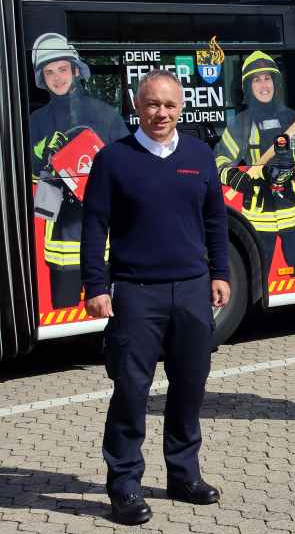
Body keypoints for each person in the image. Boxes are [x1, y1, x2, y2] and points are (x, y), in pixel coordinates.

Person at [81, 69, 230, 525]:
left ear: (181, 107)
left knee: (189, 386)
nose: (160, 113)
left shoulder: (200, 156)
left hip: (190, 290)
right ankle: (124, 484)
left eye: (168, 105)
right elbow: (94, 227)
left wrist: (220, 272)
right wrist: (96, 286)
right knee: (131, 389)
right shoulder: (114, 160)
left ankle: (183, 475)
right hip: (136, 294)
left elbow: (215, 221)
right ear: (137, 107)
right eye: (151, 104)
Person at [29, 33, 129, 309]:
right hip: (60, 246)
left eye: (62, 69)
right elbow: (28, 176)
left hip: (105, 242)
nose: (57, 78)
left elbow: (128, 166)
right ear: (42, 78)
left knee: (113, 315)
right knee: (64, 314)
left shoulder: (105, 115)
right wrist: (42, 152)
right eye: (49, 72)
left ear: (75, 69)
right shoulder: (35, 122)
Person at [215, 51, 295, 278]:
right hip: (258, 220)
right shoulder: (241, 124)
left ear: (275, 82)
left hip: (294, 213)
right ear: (248, 86)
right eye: (257, 79)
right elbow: (219, 161)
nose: (264, 84)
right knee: (259, 282)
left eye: (267, 78)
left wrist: (292, 167)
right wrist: (235, 177)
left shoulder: (294, 119)